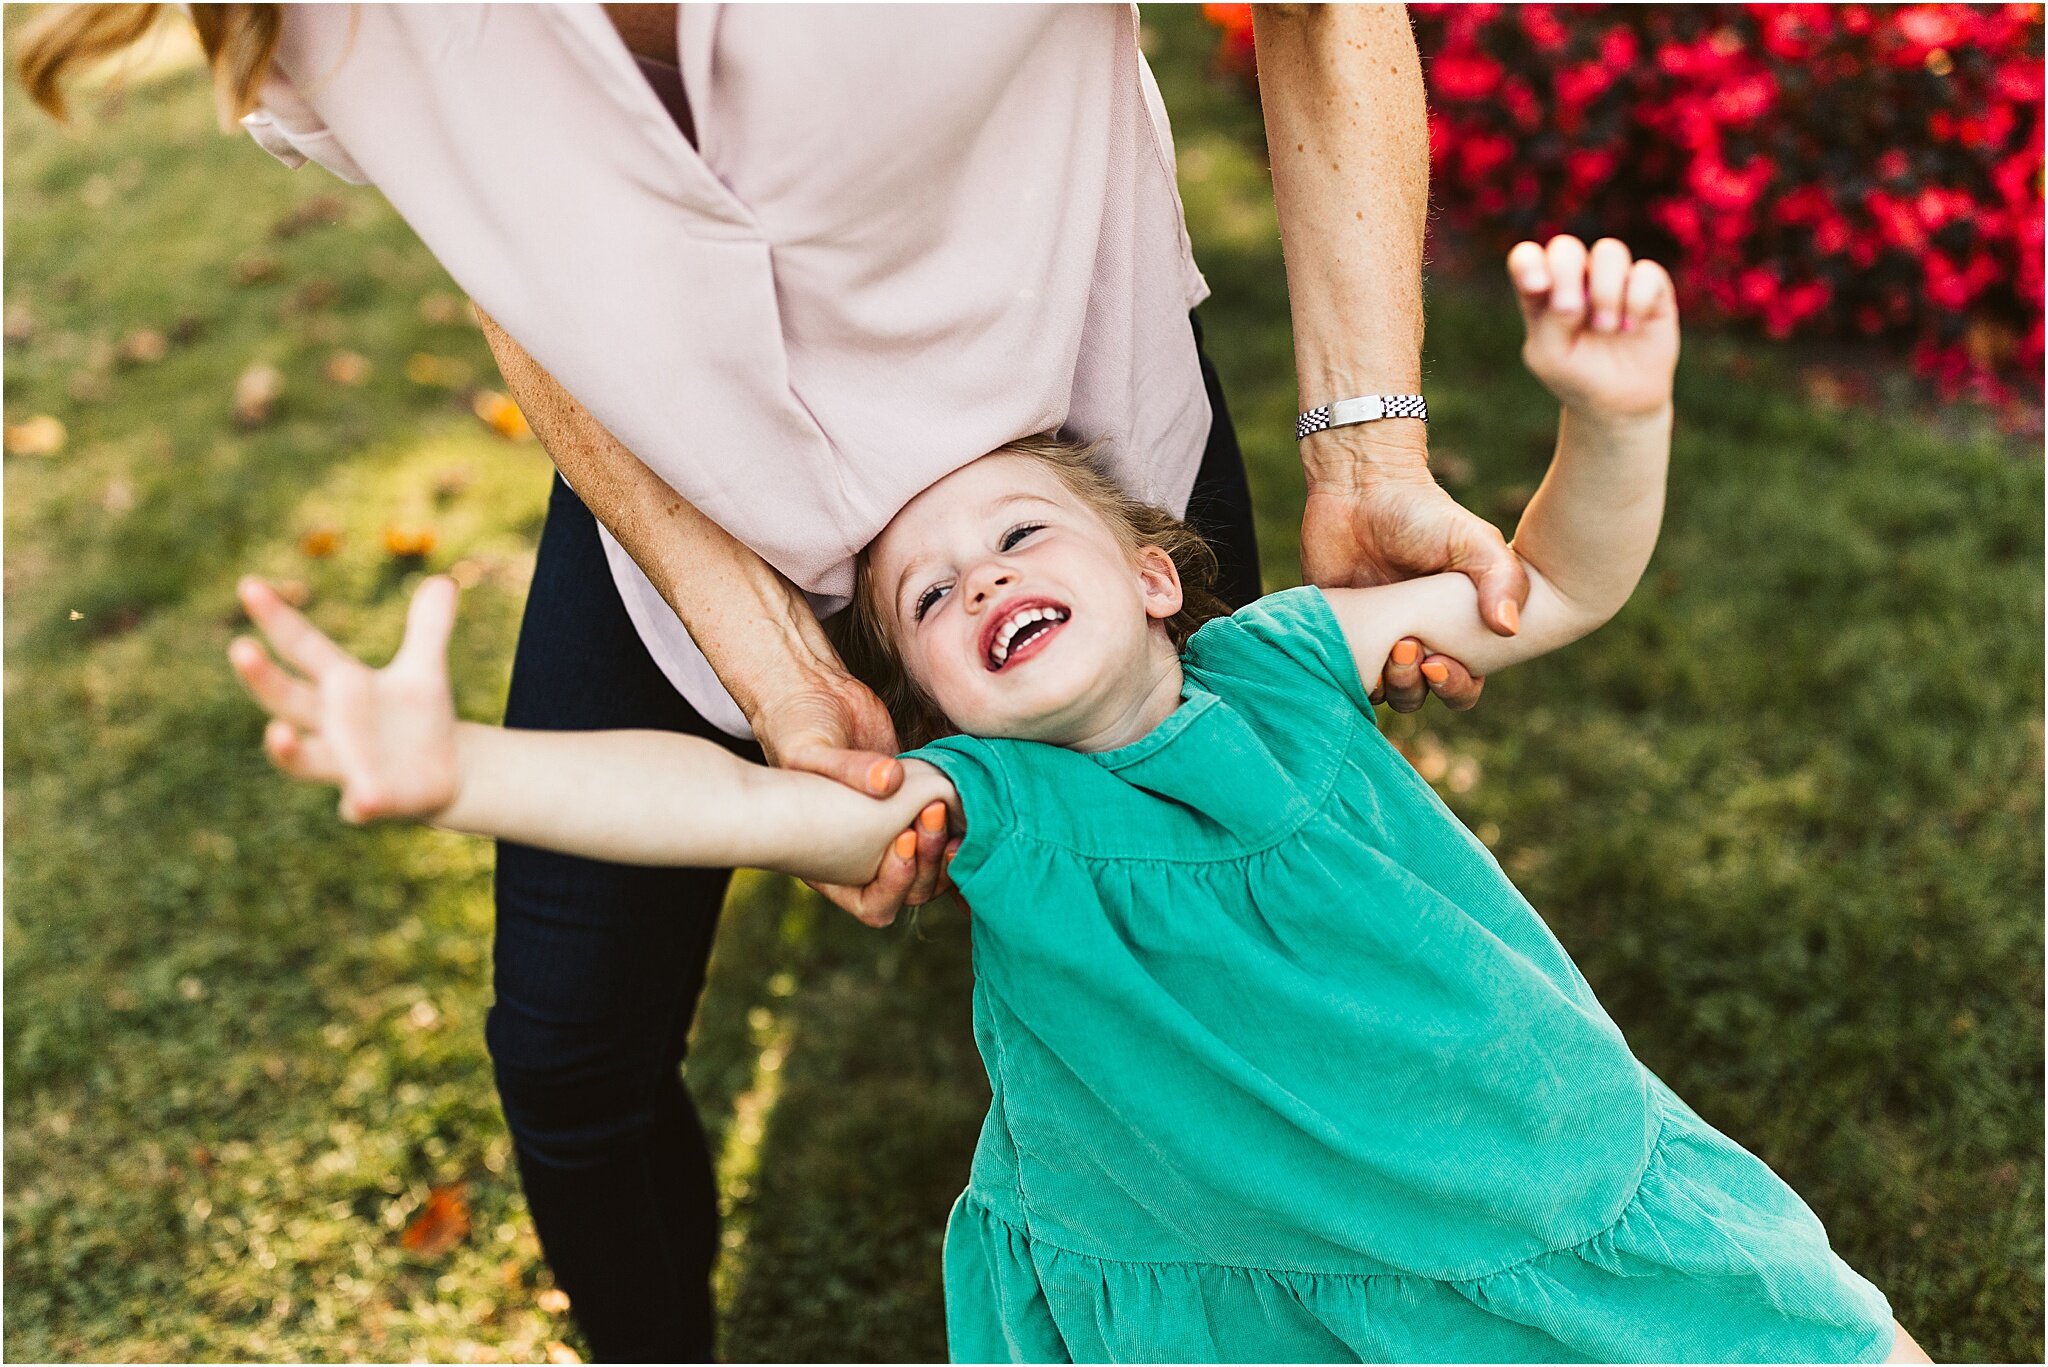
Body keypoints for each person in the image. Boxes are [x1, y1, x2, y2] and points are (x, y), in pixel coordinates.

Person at [22, 4, 1531, 1356]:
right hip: (677, 484)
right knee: (567, 1055)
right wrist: (746, 648)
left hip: (1069, 472)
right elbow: (510, 240)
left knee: (1226, 1002)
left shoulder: (1111, 572)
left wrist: (1369, 442)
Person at [230, 235, 1934, 1364]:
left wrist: (1609, 420)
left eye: (1016, 538)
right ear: (924, 699)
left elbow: (1554, 590)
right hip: (1235, 1274)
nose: (974, 582)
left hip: (1515, 1161)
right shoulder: (984, 813)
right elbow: (724, 805)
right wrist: (462, 771)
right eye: (924, 603)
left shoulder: (1291, 661)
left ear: (1148, 572)